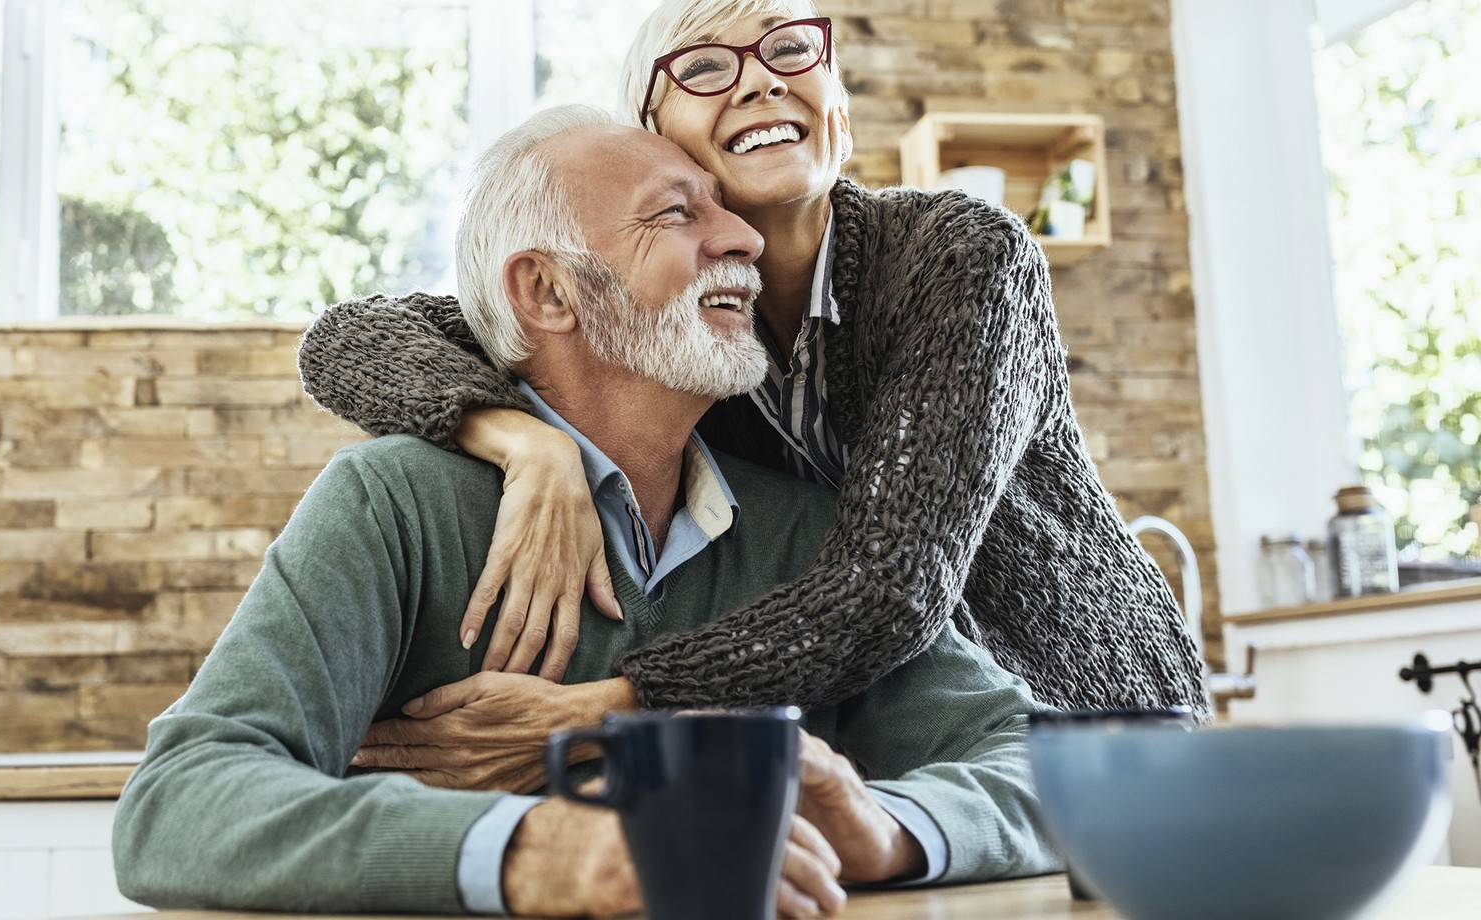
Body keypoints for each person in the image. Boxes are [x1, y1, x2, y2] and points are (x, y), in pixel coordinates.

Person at [113, 106, 1060, 917]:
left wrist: (884, 829)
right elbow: (181, 799)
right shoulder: (394, 504)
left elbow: (1039, 766)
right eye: (677, 215)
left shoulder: (808, 533)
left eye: (726, 211)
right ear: (548, 291)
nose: (744, 239)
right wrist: (537, 849)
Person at [296, 0, 1206, 788]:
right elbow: (350, 337)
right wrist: (524, 442)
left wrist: (609, 707)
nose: (762, 82)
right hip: (902, 758)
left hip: (1090, 723)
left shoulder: (961, 258)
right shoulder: (675, 326)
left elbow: (889, 588)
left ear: (838, 107)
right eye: (702, 66)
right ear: (652, 137)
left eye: (789, 50)